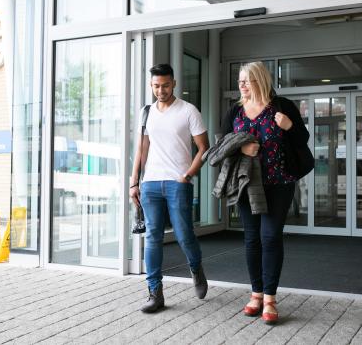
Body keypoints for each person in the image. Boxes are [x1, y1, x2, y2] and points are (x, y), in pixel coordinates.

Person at [220, 61, 309, 325]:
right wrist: (241, 149)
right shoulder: (235, 111)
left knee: (270, 237)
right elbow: (222, 145)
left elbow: (302, 139)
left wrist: (289, 126)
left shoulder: (282, 107)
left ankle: (270, 298)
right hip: (247, 184)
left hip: (279, 183)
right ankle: (255, 294)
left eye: (247, 80)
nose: (242, 85)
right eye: (239, 81)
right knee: (252, 240)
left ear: (261, 80)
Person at [129, 63, 210, 313]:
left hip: (178, 182)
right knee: (152, 237)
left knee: (184, 234)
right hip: (151, 182)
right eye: (156, 86)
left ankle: (196, 268)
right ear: (151, 85)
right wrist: (134, 182)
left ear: (174, 83)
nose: (160, 90)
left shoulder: (188, 111)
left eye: (165, 85)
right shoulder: (146, 112)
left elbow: (204, 148)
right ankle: (155, 293)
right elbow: (142, 149)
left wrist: (188, 175)